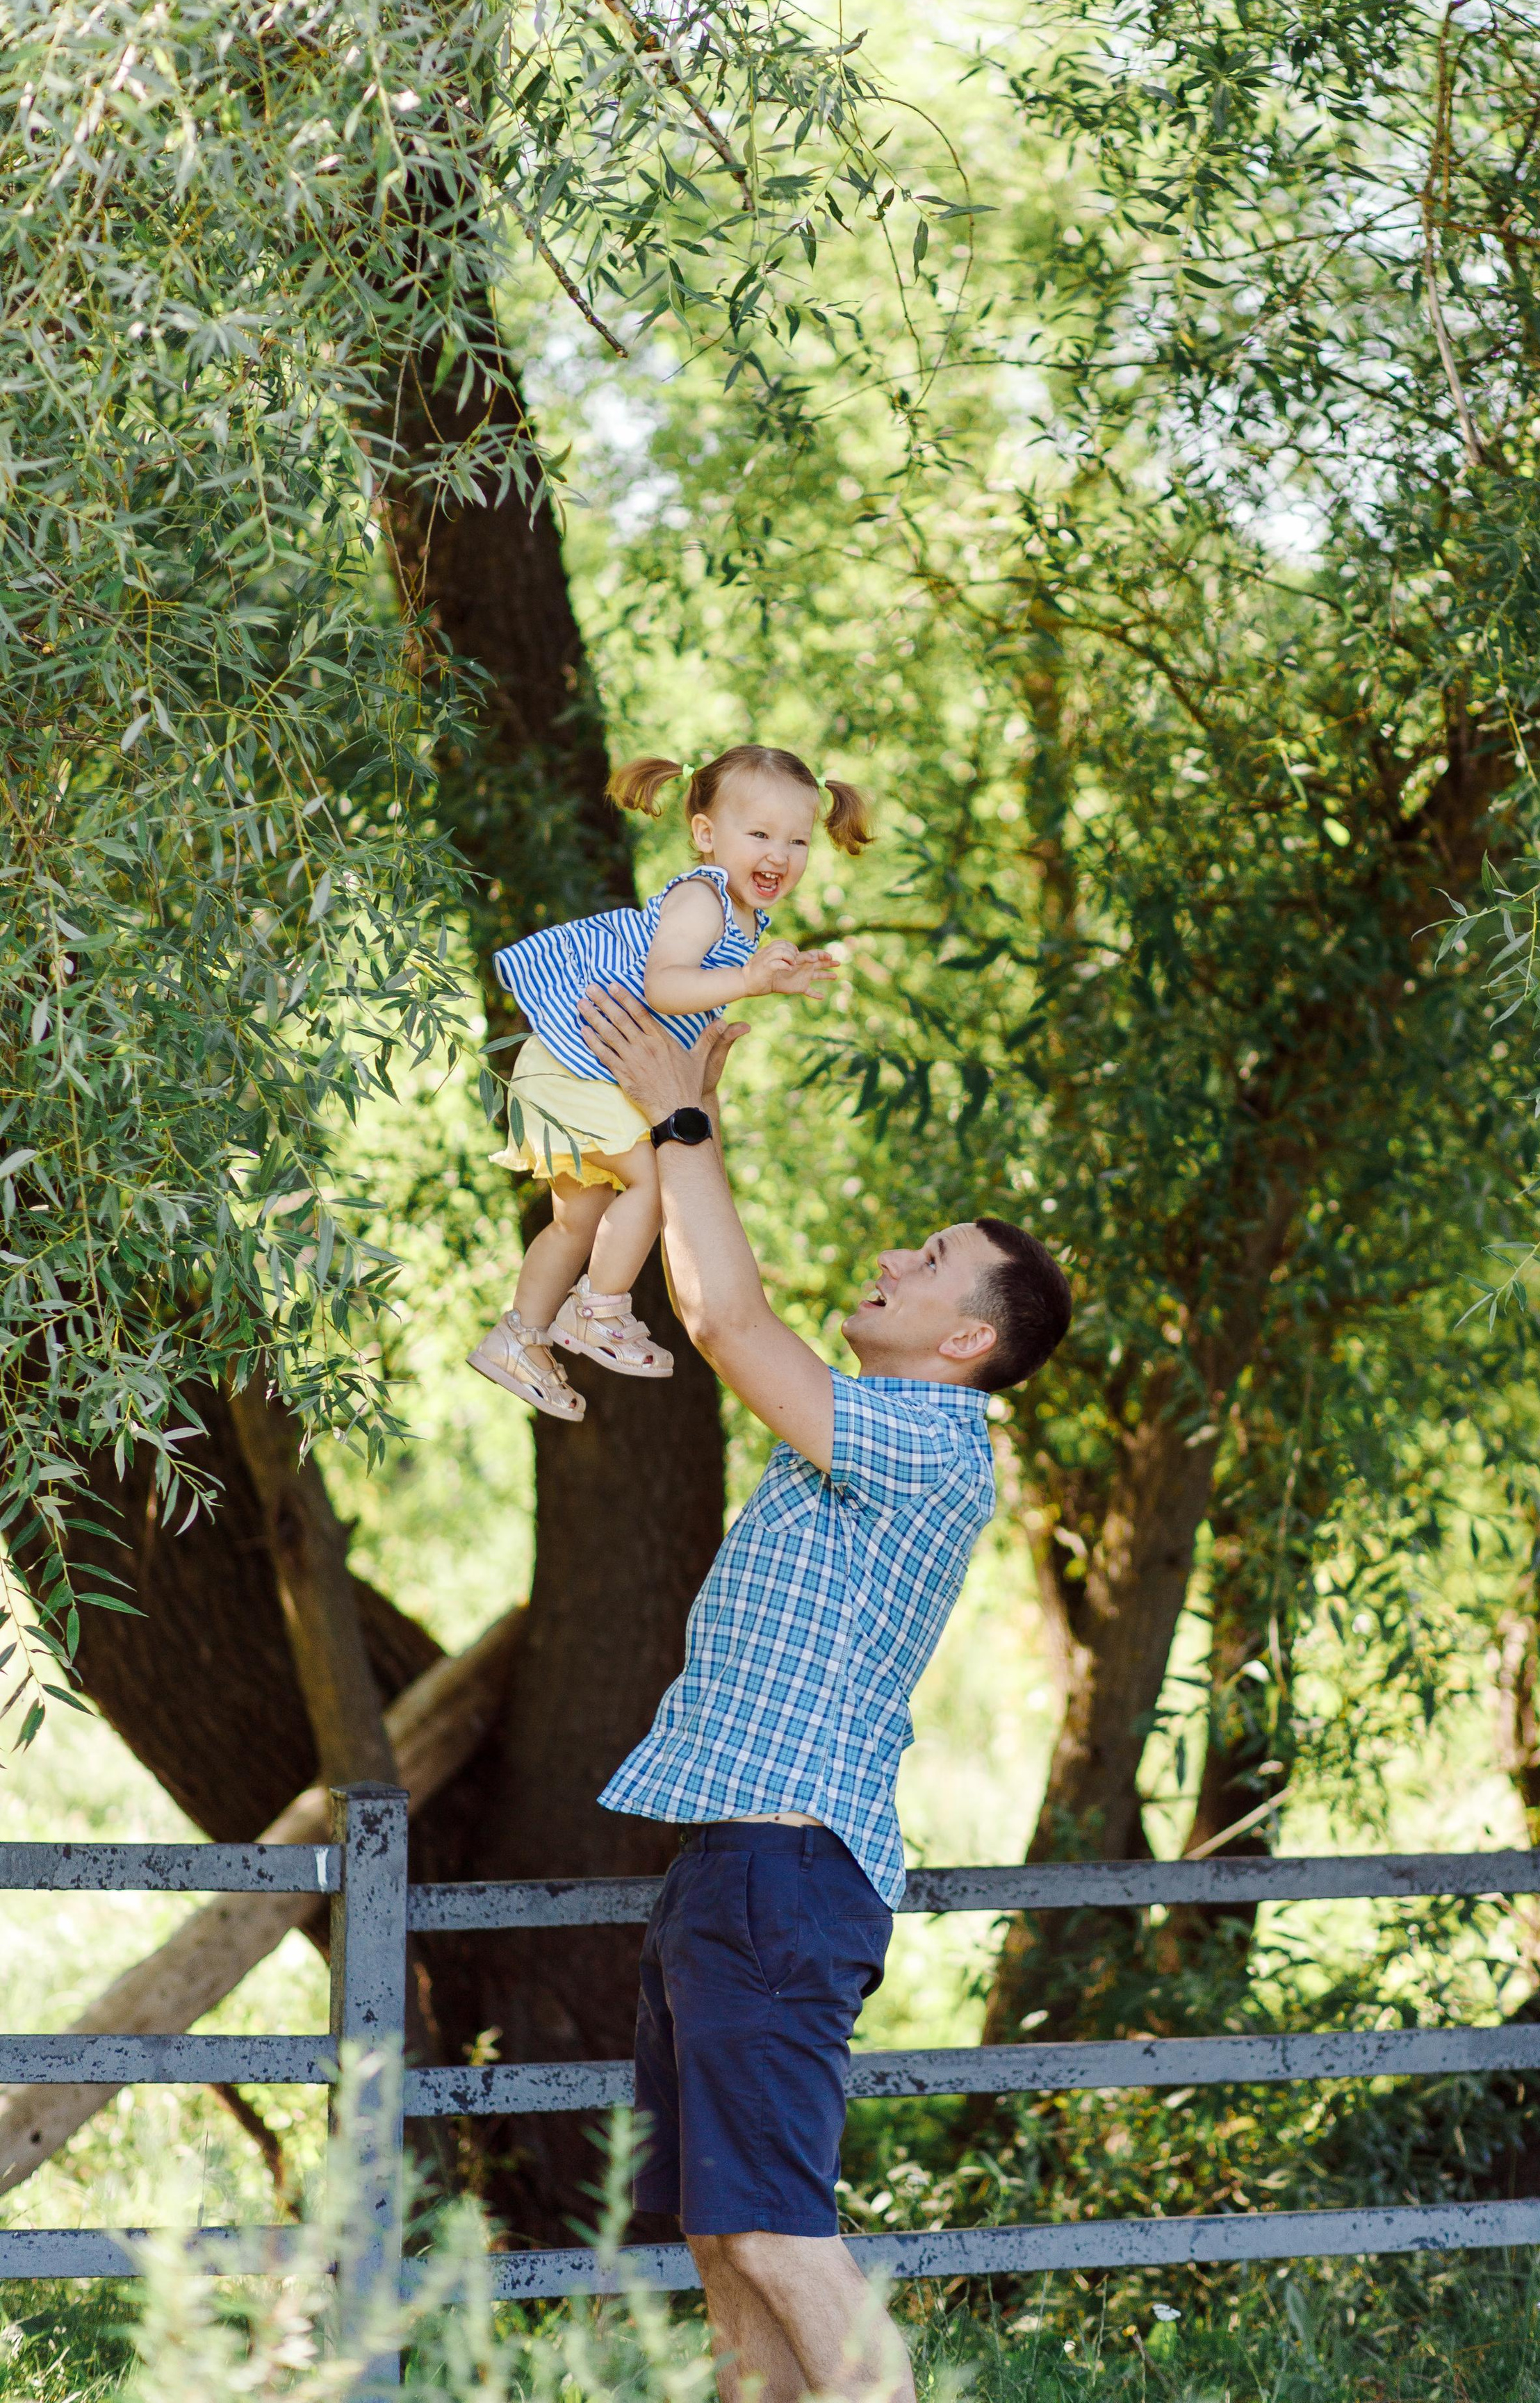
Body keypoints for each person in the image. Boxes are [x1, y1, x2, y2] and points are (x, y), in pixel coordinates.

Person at [575, 975, 1072, 2403]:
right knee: (725, 2257)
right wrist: (691, 1131)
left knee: (780, 2243)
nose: (891, 1260)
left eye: (927, 1263)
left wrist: (680, 1116)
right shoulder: (853, 1435)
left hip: (779, 1881)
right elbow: (706, 1295)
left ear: (965, 1340)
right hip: (731, 1874)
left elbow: (726, 1325)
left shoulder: (929, 1442)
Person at [468, 744, 868, 1416]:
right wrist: (747, 980)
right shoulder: (703, 898)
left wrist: (764, 982)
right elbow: (663, 983)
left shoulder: (739, 915)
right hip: (577, 1067)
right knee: (658, 1179)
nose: (780, 855)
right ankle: (599, 1310)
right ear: (706, 835)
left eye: (797, 841)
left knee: (578, 1221)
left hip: (576, 1071)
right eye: (761, 834)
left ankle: (518, 1338)